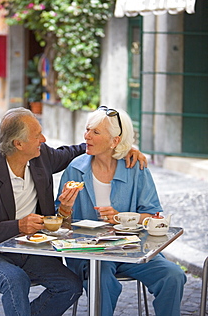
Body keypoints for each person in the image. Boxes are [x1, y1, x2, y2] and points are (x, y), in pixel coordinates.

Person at [0, 107, 146, 315]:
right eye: (37, 135)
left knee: (70, 286)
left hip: (28, 248)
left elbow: (75, 151)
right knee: (15, 280)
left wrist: (120, 148)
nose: (44, 138)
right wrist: (19, 225)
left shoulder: (40, 157)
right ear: (18, 144)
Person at [56, 105, 187, 316]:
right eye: (87, 129)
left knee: (173, 275)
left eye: (95, 132)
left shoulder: (135, 167)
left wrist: (121, 218)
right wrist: (64, 209)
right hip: (90, 254)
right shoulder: (75, 169)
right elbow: (60, 226)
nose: (86, 136)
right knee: (101, 275)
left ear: (115, 141)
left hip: (132, 250)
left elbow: (153, 215)